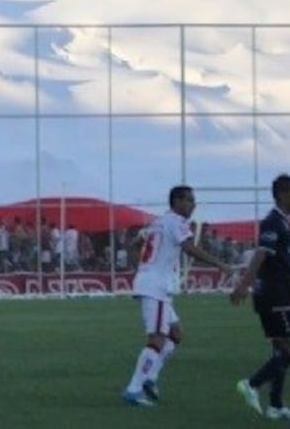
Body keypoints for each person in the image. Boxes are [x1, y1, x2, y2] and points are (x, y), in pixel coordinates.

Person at [122, 184, 231, 406]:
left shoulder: (158, 221)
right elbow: (190, 248)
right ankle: (133, 390)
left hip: (153, 283)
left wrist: (143, 266)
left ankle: (150, 378)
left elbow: (134, 243)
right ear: (177, 202)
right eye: (190, 200)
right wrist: (219, 263)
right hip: (156, 287)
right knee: (157, 338)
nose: (193, 205)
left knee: (175, 334)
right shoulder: (176, 222)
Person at [231, 173, 290, 419]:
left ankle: (275, 405)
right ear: (282, 195)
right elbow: (260, 255)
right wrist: (243, 286)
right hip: (274, 295)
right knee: (286, 351)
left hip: (281, 293)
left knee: (280, 351)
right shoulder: (272, 222)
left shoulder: (284, 222)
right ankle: (251, 384)